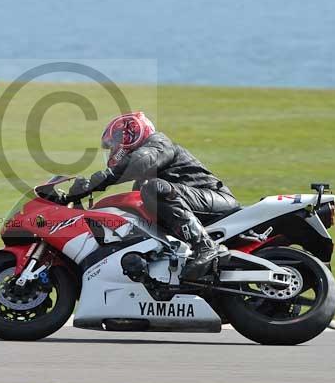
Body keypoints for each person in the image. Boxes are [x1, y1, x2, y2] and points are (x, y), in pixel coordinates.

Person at [69, 112, 240, 279]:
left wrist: (95, 183)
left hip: (216, 198)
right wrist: (78, 208)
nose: (112, 150)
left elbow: (140, 162)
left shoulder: (159, 144)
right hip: (195, 202)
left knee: (153, 188)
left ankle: (206, 247)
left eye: (113, 145)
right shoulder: (142, 181)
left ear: (129, 136)